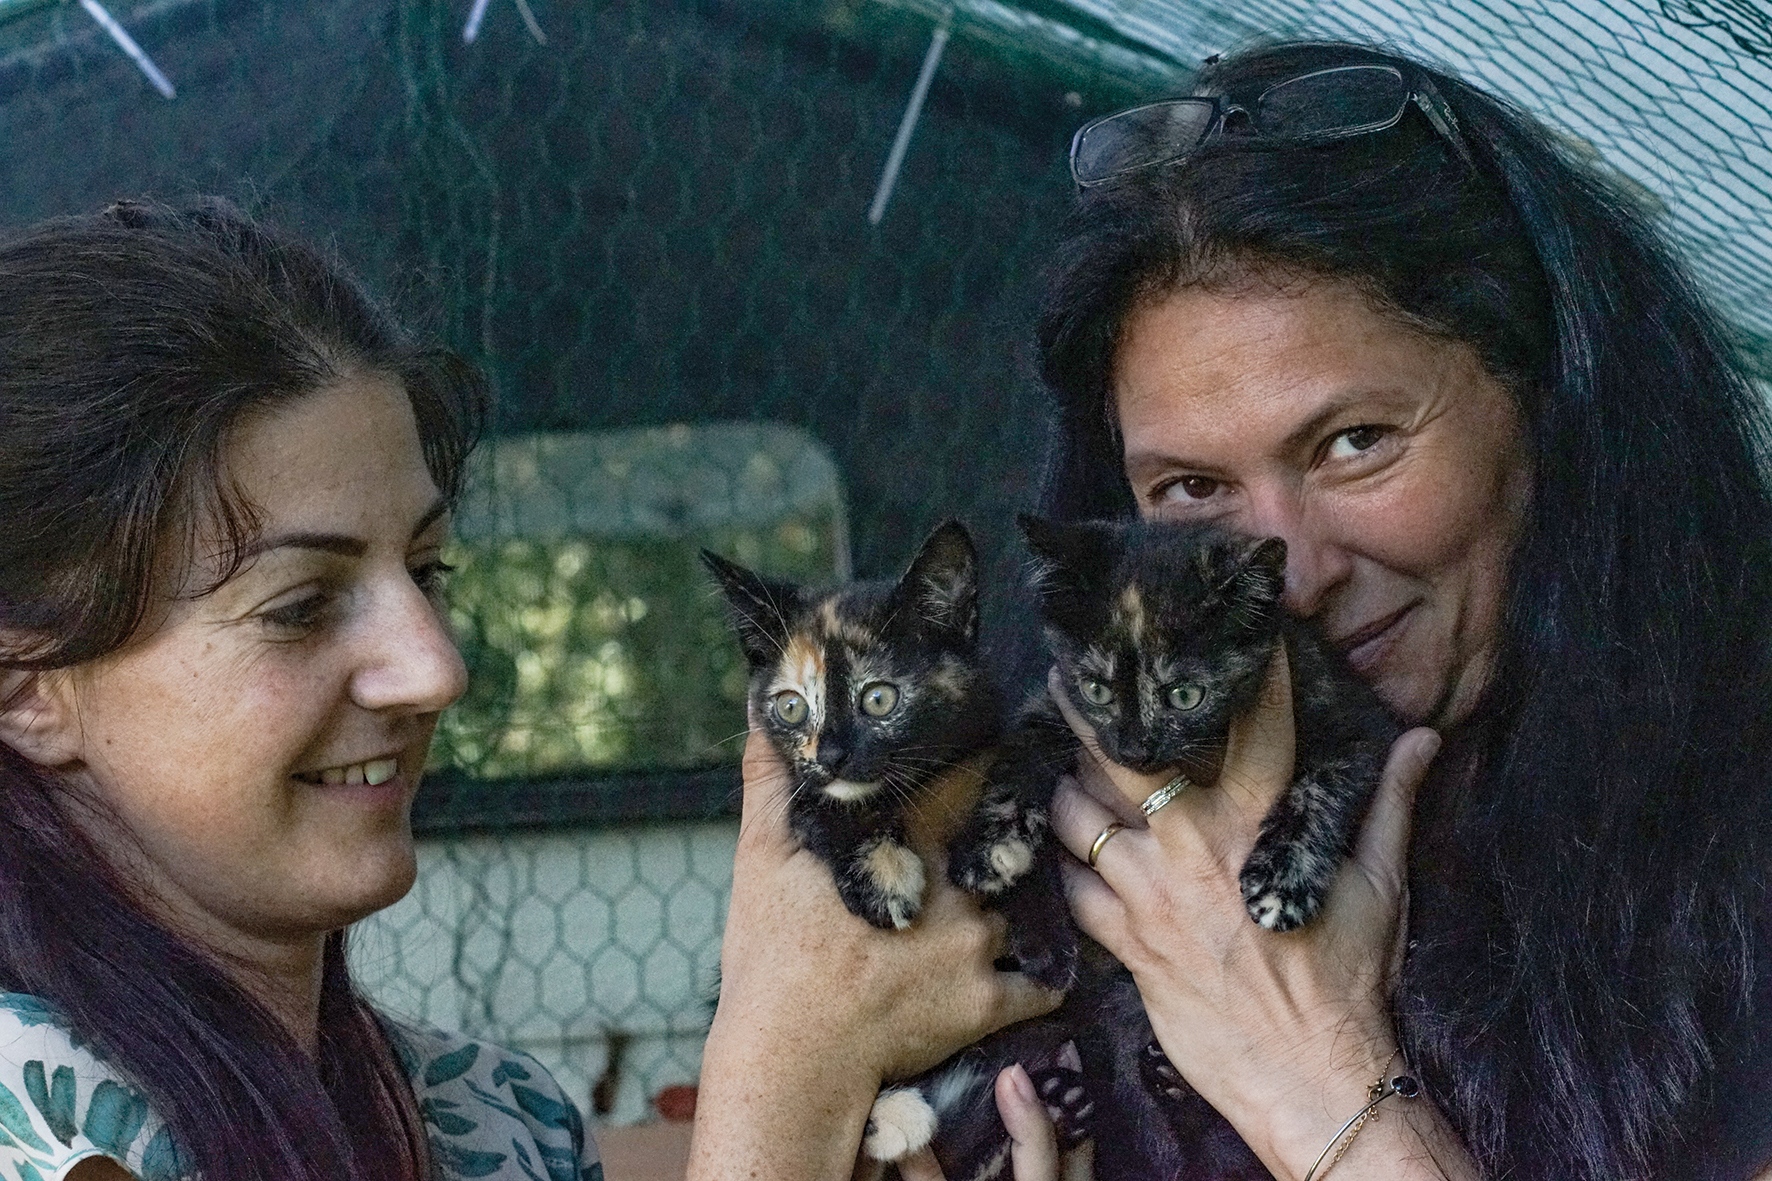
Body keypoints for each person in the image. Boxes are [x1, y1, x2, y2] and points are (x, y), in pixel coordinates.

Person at [694, 38, 1772, 1181]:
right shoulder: (1045, 834)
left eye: (1355, 442)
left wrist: (1308, 1060)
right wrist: (777, 1058)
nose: (1288, 578)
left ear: (1552, 403)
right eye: (1192, 491)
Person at [0, 199, 600, 1180]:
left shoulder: (499, 1118)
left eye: (427, 570)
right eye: (301, 605)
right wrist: (782, 1079)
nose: (435, 669)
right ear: (26, 686)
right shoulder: (42, 1126)